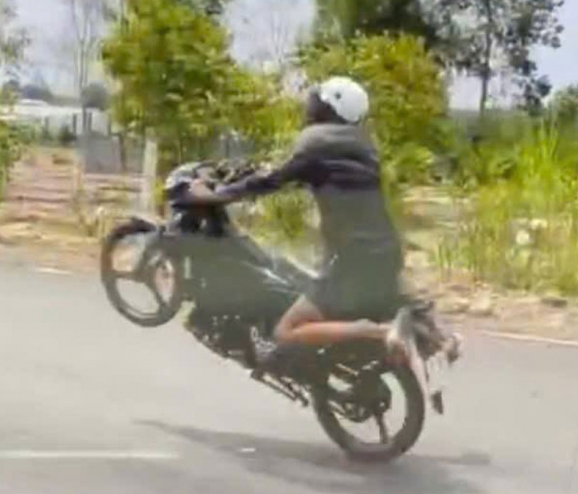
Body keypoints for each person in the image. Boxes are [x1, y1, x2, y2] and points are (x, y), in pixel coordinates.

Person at [187, 76, 460, 369]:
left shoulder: (316, 140)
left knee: (286, 331)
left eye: (316, 100)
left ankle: (378, 332)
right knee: (391, 296)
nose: (310, 104)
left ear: (329, 108)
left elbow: (272, 180)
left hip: (350, 259)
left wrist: (216, 195)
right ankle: (442, 339)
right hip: (386, 251)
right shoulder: (364, 145)